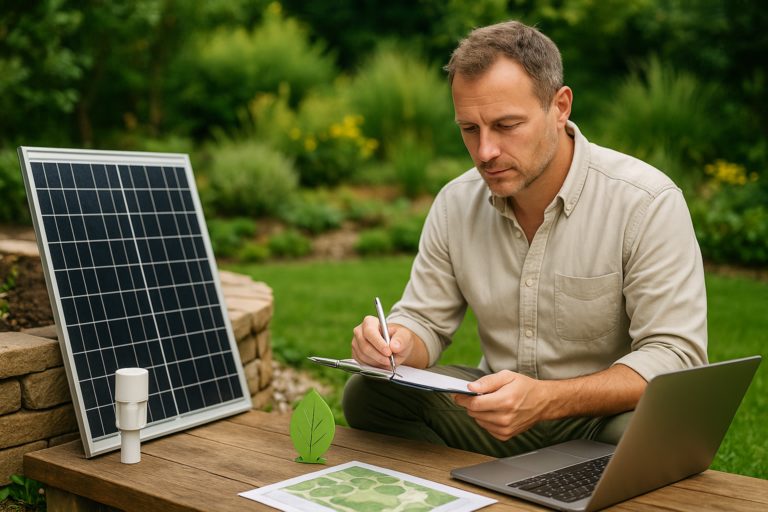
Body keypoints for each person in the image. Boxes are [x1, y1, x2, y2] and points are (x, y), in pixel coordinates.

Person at [342, 20, 708, 458]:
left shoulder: (645, 202)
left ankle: (516, 474)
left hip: (602, 417)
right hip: (496, 412)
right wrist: (395, 343)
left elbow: (675, 357)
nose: (485, 152)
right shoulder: (456, 203)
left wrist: (547, 399)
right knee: (368, 393)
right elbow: (426, 321)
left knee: (652, 428)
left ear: (560, 106)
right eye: (470, 129)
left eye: (506, 125)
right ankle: (482, 483)